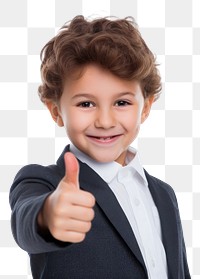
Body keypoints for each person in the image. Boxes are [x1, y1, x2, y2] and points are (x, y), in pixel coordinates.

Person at [9, 15, 191, 279]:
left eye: (122, 103)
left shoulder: (164, 195)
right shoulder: (43, 182)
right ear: (56, 111)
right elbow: (26, 220)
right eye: (86, 104)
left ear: (146, 108)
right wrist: (47, 216)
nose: (105, 122)